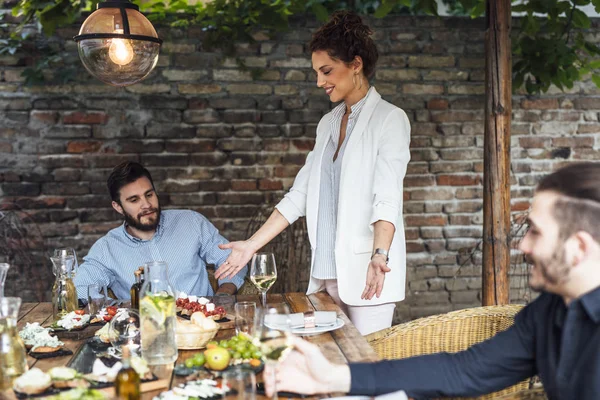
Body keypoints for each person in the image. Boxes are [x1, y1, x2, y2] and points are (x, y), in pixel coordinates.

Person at [265, 162, 600, 399]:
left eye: (536, 232)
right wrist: (331, 376)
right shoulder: (551, 311)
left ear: (579, 247)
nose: (523, 245)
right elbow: (463, 371)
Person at [215, 10, 411, 335]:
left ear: (356, 65)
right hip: (326, 275)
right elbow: (300, 196)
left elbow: (387, 196)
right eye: (317, 72)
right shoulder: (328, 124)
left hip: (367, 272)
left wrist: (380, 254)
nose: (320, 82)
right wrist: (251, 244)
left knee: (368, 370)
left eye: (327, 71)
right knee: (332, 366)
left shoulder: (390, 119)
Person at [73, 161, 247, 301]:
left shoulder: (191, 222)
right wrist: (120, 311)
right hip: (144, 332)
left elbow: (231, 259)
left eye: (149, 195)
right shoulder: (106, 248)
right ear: (118, 207)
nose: (147, 205)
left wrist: (222, 296)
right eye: (134, 200)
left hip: (200, 322)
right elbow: (80, 289)